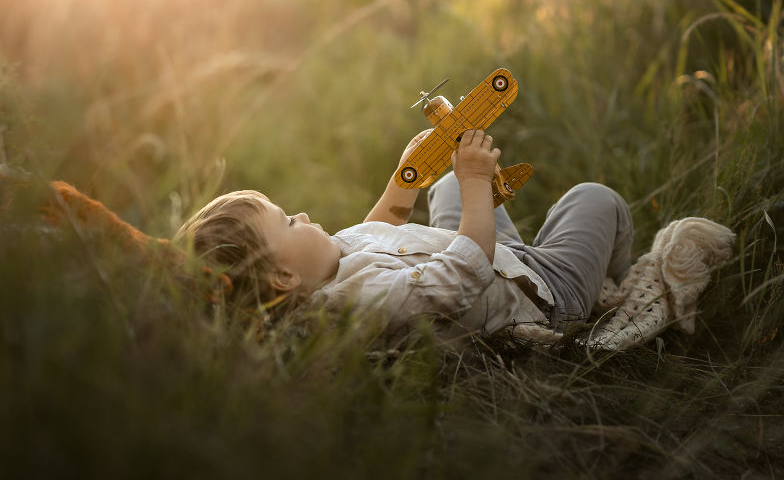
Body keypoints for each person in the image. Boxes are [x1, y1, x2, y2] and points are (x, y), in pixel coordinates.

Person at [175, 128, 638, 347]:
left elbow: (378, 227)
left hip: (504, 260)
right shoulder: (361, 302)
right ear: (281, 276)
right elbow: (465, 271)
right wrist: (477, 179)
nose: (300, 213)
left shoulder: (335, 260)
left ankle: (480, 203)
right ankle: (608, 288)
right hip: (542, 293)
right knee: (595, 197)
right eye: (287, 222)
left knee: (444, 185)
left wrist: (405, 177)